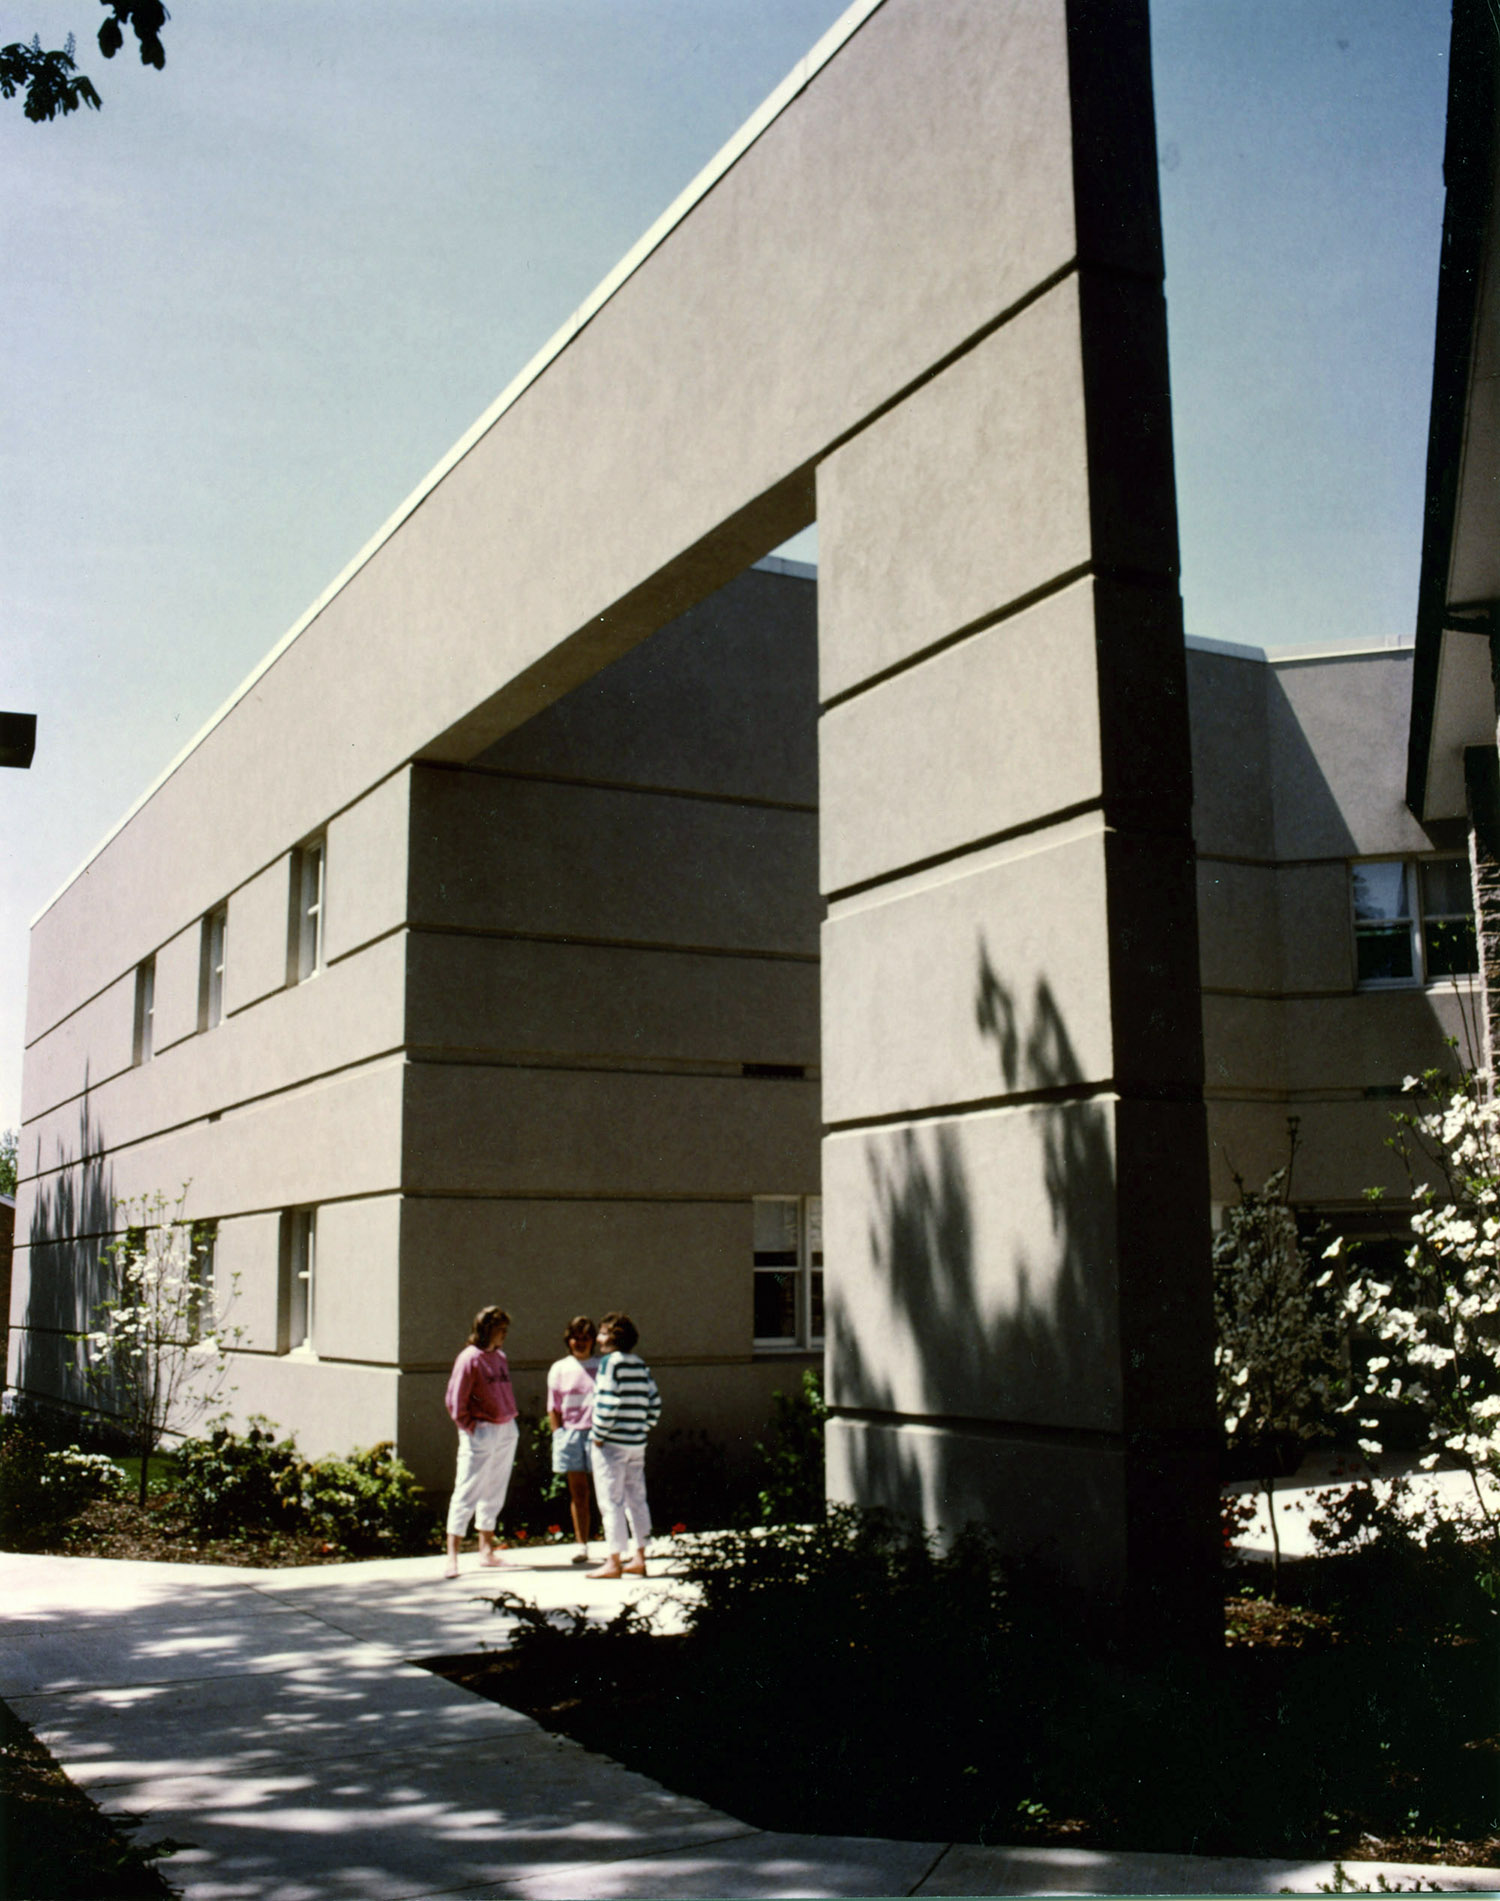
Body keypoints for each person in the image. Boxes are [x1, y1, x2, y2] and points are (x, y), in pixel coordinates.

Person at [443, 1304, 518, 1579]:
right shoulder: (469, 1358)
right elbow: (455, 1400)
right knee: (467, 1489)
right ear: (487, 1330)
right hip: (481, 1430)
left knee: (494, 1489)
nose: (504, 1335)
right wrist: (470, 1426)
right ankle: (452, 1556)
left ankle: (486, 1550)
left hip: (506, 1428)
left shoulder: (500, 1357)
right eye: (501, 1330)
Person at [587, 1310, 660, 1580]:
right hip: (636, 1443)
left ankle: (613, 1560)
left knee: (611, 1500)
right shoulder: (640, 1364)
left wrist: (598, 1433)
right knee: (636, 1498)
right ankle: (640, 1556)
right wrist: (642, 1428)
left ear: (614, 1338)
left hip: (611, 1444)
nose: (598, 1337)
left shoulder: (609, 1364)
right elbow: (655, 1404)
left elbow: (607, 1402)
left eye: (603, 1332)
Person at [547, 1314, 600, 1567]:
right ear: (568, 1341)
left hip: (598, 1435)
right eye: (575, 1339)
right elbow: (553, 1407)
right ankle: (582, 1545)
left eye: (585, 1339)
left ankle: (616, 1544)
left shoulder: (603, 1365)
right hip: (569, 1435)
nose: (580, 1343)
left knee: (607, 1491)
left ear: (593, 1341)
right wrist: (558, 1434)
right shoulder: (559, 1368)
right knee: (579, 1492)